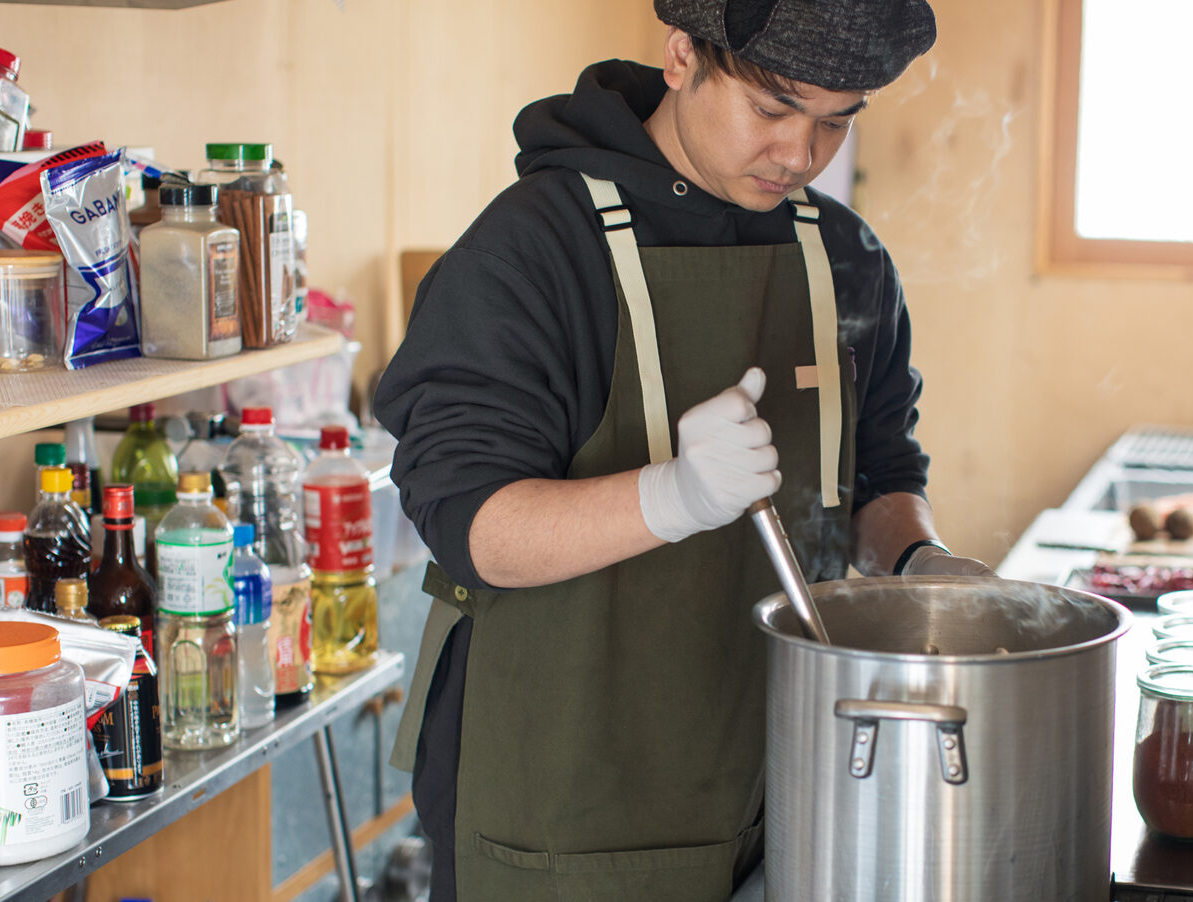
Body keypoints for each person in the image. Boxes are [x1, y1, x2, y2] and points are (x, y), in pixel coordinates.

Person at [374, 1, 996, 898]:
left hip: (781, 781)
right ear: (680, 57)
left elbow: (880, 476)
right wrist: (675, 497)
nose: (799, 155)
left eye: (836, 121)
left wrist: (918, 561)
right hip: (562, 802)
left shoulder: (845, 258)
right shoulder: (536, 249)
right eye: (773, 109)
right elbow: (474, 526)